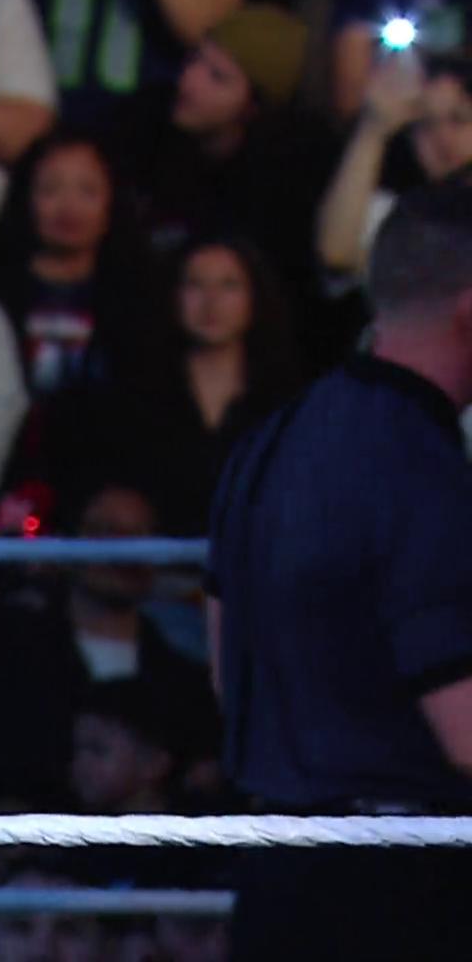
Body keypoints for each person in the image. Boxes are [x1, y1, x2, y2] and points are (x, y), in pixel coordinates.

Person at [207, 184, 472, 960]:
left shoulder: (266, 444)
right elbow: (467, 731)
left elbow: (228, 674)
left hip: (275, 876)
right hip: (400, 888)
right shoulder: (422, 471)